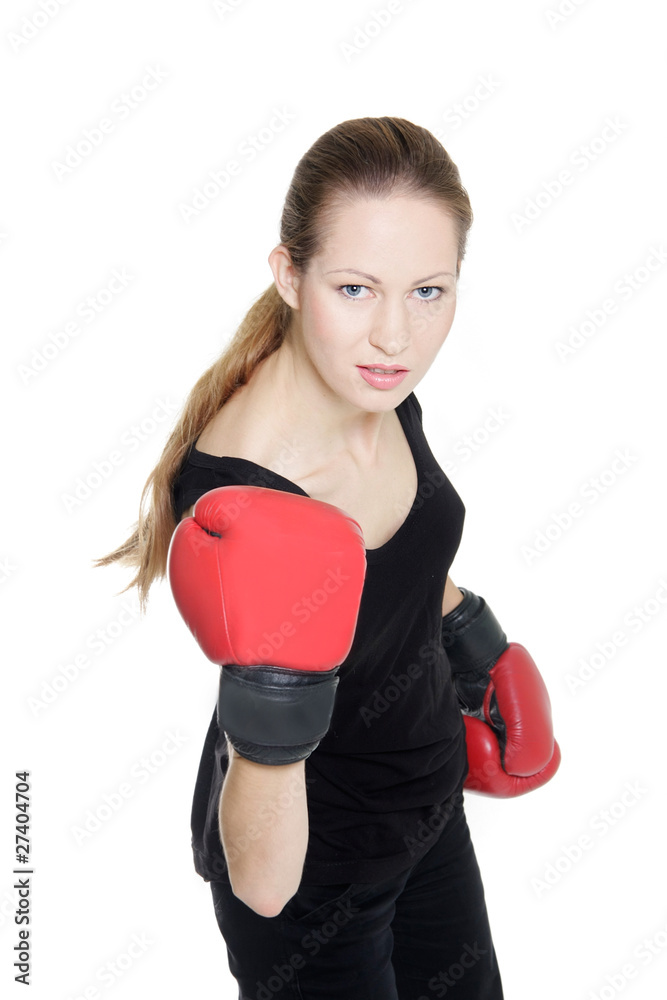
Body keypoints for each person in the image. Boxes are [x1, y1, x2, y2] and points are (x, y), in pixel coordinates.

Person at [98, 116, 560, 999]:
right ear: (288, 273)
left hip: (431, 811)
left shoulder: (373, 386)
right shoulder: (242, 495)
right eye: (355, 288)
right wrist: (275, 706)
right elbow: (266, 886)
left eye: (428, 291)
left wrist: (476, 643)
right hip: (315, 881)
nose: (395, 336)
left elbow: (403, 571)